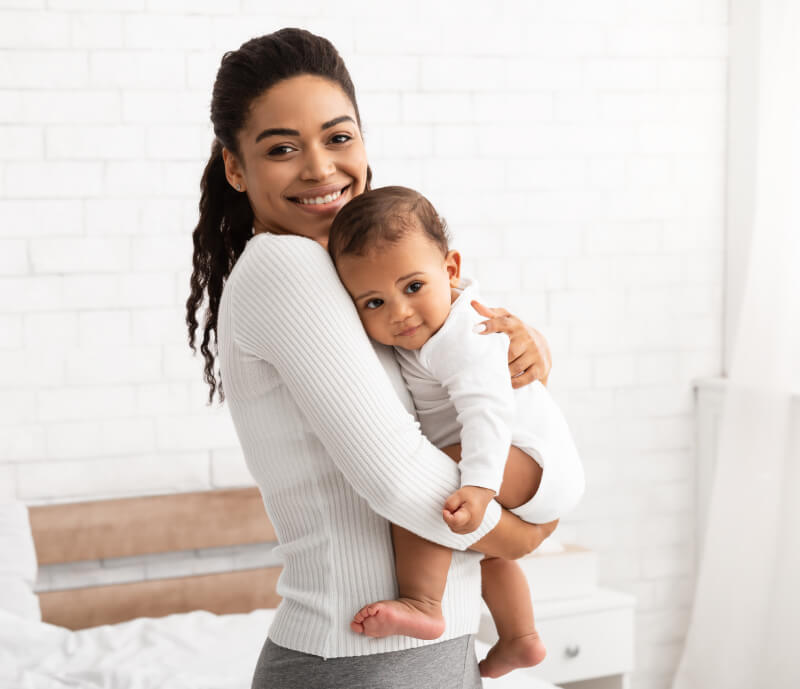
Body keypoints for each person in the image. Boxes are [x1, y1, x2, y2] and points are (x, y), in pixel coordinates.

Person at [186, 28, 558, 689]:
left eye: (339, 137)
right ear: (235, 167)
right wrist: (526, 533)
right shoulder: (285, 264)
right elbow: (399, 479)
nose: (320, 168)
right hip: (360, 658)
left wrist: (513, 345)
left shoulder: (358, 278)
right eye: (281, 148)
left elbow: (445, 386)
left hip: (414, 655)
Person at [327, 186, 585, 678]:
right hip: (528, 464)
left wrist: (480, 485)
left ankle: (423, 601)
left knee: (425, 485)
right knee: (485, 555)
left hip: (528, 457)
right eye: (373, 302)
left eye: (413, 288)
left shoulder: (463, 333)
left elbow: (486, 410)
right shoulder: (434, 329)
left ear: (449, 270)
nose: (399, 313)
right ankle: (520, 637)